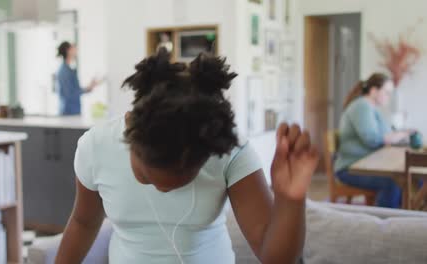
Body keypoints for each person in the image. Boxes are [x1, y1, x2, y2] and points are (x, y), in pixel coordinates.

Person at [55, 50, 319, 263]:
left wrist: (290, 199)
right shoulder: (96, 146)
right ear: (131, 135)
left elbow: (274, 256)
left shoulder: (228, 150)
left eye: (182, 179)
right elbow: (83, 222)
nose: (162, 189)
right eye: (147, 175)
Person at [335, 73, 412, 208]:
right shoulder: (361, 106)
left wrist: (398, 134)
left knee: (407, 178)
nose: (389, 97)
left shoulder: (372, 109)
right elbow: (373, 139)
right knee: (393, 182)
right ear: (374, 91)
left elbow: (386, 134)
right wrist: (400, 135)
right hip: (350, 168)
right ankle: (384, 224)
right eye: (387, 93)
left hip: (364, 166)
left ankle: (405, 216)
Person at [56, 41, 102, 115]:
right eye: (73, 48)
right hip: (68, 112)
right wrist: (87, 88)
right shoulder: (64, 71)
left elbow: (75, 90)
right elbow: (69, 94)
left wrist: (90, 87)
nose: (76, 50)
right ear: (68, 51)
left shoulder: (69, 70)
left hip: (73, 110)